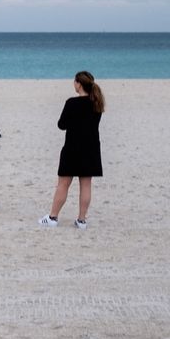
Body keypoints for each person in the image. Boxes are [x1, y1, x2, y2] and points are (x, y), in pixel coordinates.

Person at [40, 71, 105, 229]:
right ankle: (82, 220)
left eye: (75, 82)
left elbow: (61, 124)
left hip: (73, 147)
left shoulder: (71, 103)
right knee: (86, 184)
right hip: (91, 147)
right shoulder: (96, 103)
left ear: (79, 84)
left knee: (63, 183)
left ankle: (53, 217)